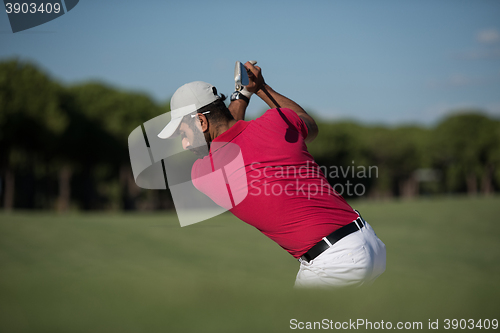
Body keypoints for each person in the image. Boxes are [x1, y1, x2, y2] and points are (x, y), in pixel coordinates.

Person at [157, 61, 386, 287]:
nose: (185, 144)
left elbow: (229, 133)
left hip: (336, 263)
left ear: (201, 122)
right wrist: (259, 88)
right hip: (367, 241)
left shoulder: (203, 174)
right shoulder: (275, 122)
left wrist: (243, 95)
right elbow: (309, 126)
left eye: (183, 133)